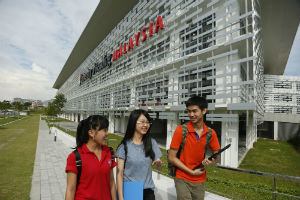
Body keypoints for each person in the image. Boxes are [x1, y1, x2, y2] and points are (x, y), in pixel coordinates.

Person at [168, 96, 220, 200]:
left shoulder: (211, 133)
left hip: (199, 178)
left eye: (194, 111)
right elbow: (171, 157)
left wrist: (211, 161)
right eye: (189, 111)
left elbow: (217, 157)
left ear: (204, 111)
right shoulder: (180, 130)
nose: (191, 115)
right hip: (181, 176)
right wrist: (191, 172)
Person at [65, 115, 117, 200]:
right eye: (104, 130)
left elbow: (111, 183)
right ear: (91, 133)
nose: (107, 133)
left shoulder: (109, 152)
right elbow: (70, 190)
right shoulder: (75, 157)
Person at [116, 109, 163, 200]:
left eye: (148, 122)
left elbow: (159, 168)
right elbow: (119, 174)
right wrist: (121, 198)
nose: (145, 125)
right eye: (142, 122)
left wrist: (159, 164)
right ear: (133, 123)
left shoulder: (151, 143)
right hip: (131, 191)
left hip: (148, 192)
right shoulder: (124, 146)